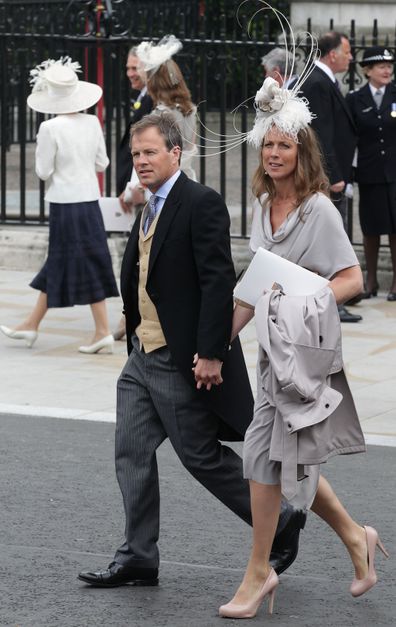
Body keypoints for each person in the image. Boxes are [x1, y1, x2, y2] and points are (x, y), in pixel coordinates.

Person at [77, 111, 306, 589]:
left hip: (179, 357)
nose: (140, 161)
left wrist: (212, 352)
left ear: (175, 152)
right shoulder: (150, 205)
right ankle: (138, 555)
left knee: (200, 455)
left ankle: (282, 518)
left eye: (150, 152)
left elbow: (217, 279)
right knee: (131, 451)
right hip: (143, 355)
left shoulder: (199, 202)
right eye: (136, 154)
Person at [218, 77, 388, 620]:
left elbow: (352, 278)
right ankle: (357, 540)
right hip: (272, 354)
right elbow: (256, 283)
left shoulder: (320, 210)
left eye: (284, 145)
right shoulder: (263, 205)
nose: (273, 153)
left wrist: (303, 299)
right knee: (284, 459)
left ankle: (258, 570)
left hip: (305, 357)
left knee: (264, 458)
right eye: (267, 144)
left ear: (301, 151)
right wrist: (220, 336)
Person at [0, 58, 119, 354]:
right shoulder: (92, 121)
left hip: (64, 202)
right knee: (71, 258)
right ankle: (31, 324)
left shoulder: (49, 128)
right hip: (89, 198)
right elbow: (102, 162)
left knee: (68, 258)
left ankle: (101, 329)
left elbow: (42, 171)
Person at [299, 31, 362, 322]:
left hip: (336, 173)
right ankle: (331, 301)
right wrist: (333, 174)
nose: (351, 58)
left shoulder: (324, 79)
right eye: (347, 52)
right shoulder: (317, 82)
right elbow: (320, 133)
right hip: (328, 177)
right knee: (330, 240)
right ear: (333, 54)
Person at [346, 46, 396, 301]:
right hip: (369, 171)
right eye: (381, 66)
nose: (387, 70)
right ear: (368, 70)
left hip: (395, 172)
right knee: (372, 227)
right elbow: (349, 136)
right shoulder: (356, 99)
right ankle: (371, 279)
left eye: (389, 65)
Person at [117, 46, 153, 207]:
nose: (130, 74)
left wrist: (135, 186)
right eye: (128, 68)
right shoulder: (143, 96)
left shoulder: (152, 100)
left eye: (135, 68)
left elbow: (149, 147)